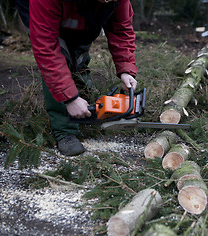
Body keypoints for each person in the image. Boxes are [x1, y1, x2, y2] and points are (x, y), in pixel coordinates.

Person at [16, 0, 138, 156]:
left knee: (78, 56)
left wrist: (125, 69)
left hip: (83, 13)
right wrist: (70, 98)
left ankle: (84, 108)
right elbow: (47, 48)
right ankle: (64, 132)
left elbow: (121, 29)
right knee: (61, 56)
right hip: (44, 11)